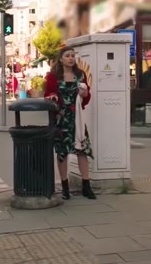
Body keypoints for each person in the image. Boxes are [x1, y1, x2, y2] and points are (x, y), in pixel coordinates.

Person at [44, 46, 95, 200]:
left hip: (77, 118)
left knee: (82, 150)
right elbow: (48, 94)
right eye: (67, 56)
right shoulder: (53, 76)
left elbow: (87, 97)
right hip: (61, 118)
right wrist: (53, 97)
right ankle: (65, 186)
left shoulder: (80, 74)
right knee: (62, 153)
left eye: (73, 55)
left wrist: (85, 94)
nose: (71, 58)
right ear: (61, 59)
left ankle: (86, 186)